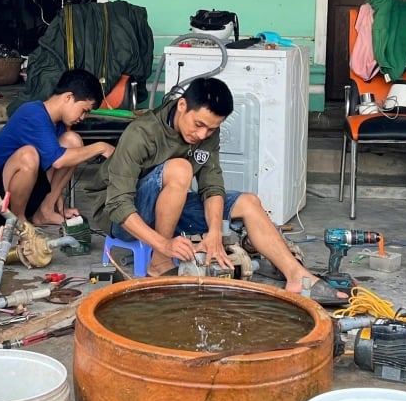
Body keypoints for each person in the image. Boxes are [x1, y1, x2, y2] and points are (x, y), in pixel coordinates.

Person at [91, 76, 344, 305]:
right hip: (122, 218)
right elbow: (118, 204)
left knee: (248, 202)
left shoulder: (206, 133)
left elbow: (211, 185)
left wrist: (213, 233)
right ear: (182, 106)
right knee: (180, 169)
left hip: (167, 208)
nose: (202, 134)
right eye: (199, 124)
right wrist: (165, 245)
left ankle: (296, 276)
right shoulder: (142, 133)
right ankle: (159, 263)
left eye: (211, 129)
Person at [0, 68, 115, 226]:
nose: (82, 117)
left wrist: (59, 204)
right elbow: (58, 160)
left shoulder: (58, 123)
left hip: (29, 196)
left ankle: (45, 211)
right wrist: (102, 147)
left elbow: (52, 165)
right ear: (68, 97)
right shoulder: (32, 113)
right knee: (28, 155)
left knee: (73, 141)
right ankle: (18, 221)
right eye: (83, 110)